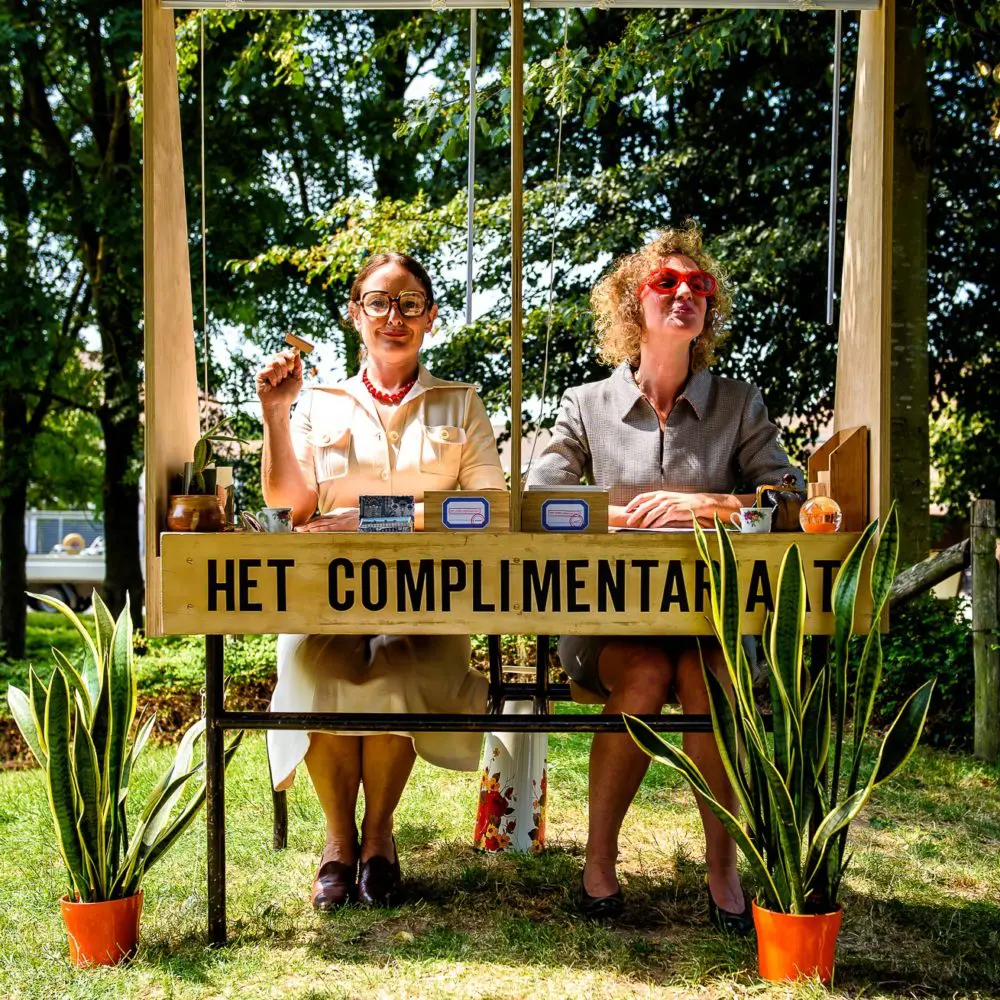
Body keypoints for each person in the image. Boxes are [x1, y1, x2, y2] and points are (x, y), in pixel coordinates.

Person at [525, 225, 803, 929]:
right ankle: (598, 861)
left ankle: (723, 867)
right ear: (632, 302)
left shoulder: (739, 403)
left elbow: (790, 498)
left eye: (698, 286)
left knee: (711, 681)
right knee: (646, 674)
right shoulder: (586, 403)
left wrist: (706, 504)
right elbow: (541, 495)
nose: (685, 293)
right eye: (666, 282)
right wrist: (622, 516)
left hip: (711, 617)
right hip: (610, 617)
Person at [255, 252, 506, 911]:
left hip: (431, 602)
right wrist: (276, 414)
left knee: (398, 675)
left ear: (430, 317)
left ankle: (378, 837)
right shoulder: (318, 404)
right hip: (326, 601)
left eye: (410, 303)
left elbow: (487, 507)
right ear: (354, 313)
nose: (394, 316)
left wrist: (375, 515)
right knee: (312, 674)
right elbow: (291, 508)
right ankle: (339, 842)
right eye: (378, 301)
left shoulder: (461, 403)